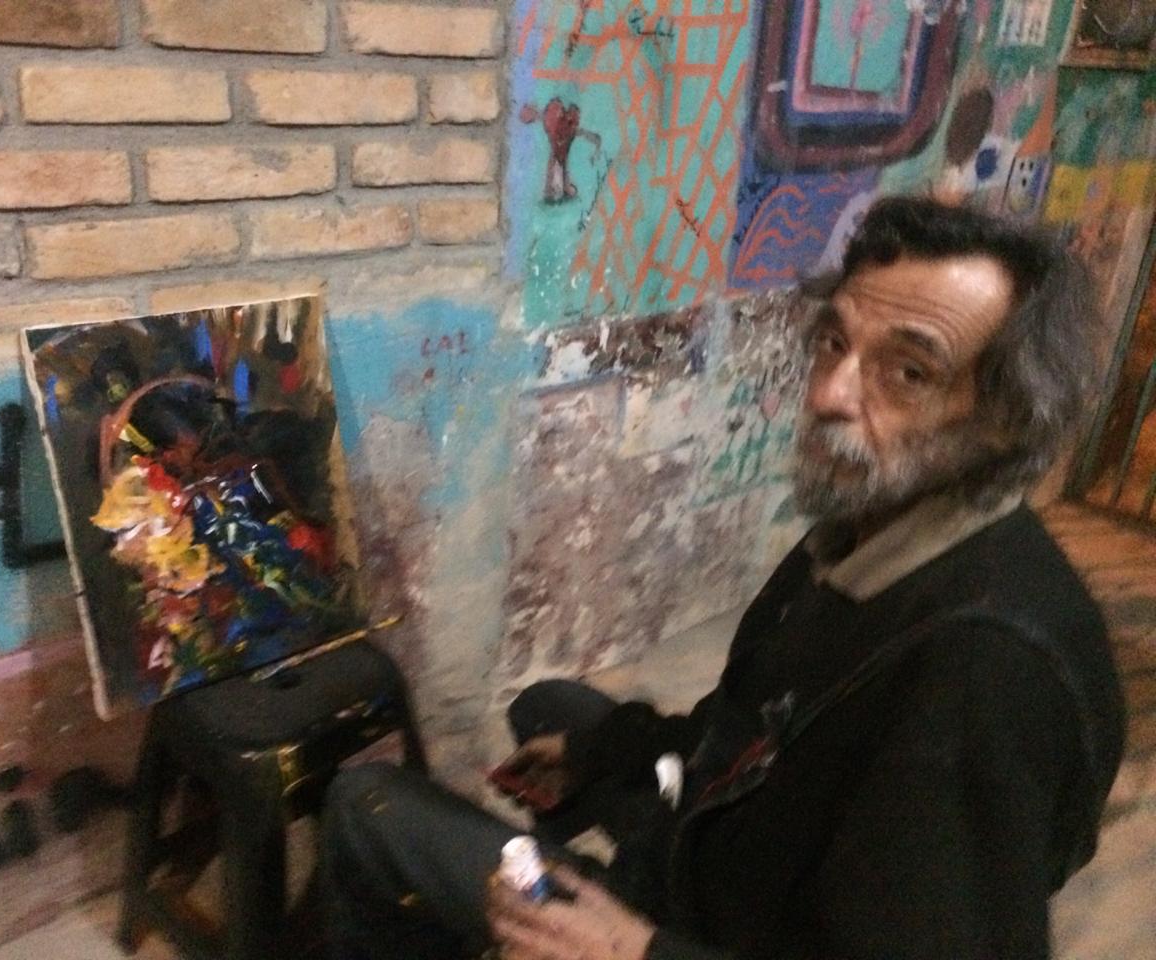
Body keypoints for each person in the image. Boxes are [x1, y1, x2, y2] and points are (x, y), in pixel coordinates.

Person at [311, 196, 1127, 960]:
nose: (830, 394)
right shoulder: (868, 531)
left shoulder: (984, 678)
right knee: (551, 711)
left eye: (909, 373)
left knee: (367, 806)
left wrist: (632, 949)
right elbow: (748, 721)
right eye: (834, 344)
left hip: (713, 931)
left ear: (1006, 420)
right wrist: (600, 753)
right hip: (728, 853)